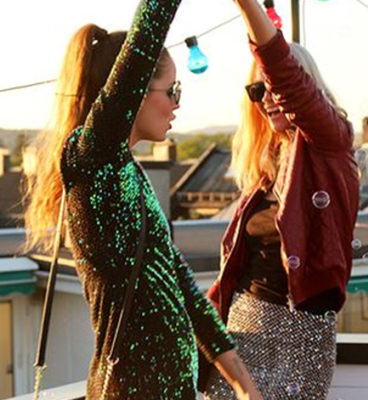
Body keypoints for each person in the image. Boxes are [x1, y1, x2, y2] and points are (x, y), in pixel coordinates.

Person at [23, 1, 262, 399]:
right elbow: (146, 36)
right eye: (172, 90)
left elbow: (180, 284)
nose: (178, 103)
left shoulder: (129, 173)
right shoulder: (91, 158)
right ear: (134, 92)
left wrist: (243, 382)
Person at [202, 0, 359, 398]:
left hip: (302, 335)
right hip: (243, 330)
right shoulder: (268, 172)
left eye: (275, 87)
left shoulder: (331, 141)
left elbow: (286, 77)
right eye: (258, 90)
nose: (268, 98)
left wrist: (246, 6)